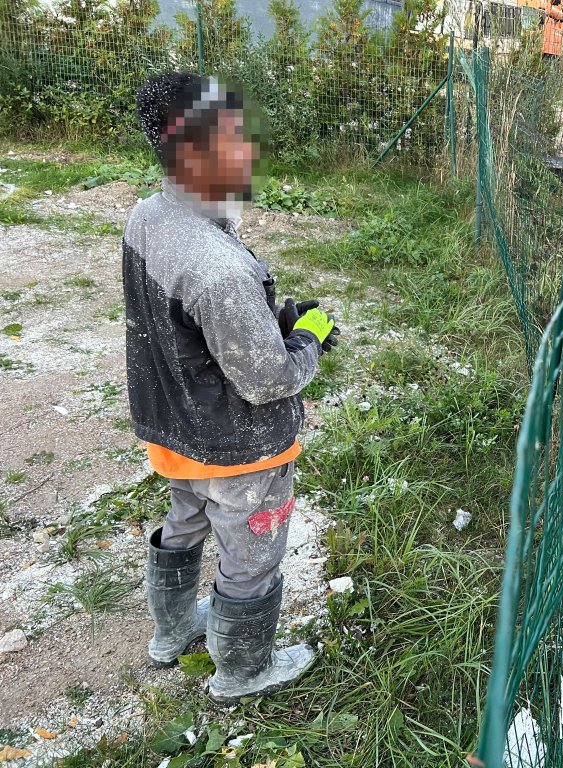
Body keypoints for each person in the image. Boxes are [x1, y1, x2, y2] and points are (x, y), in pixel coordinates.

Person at [124, 71, 339, 706]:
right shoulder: (220, 269)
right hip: (237, 445)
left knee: (185, 519)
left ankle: (172, 634)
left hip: (173, 428)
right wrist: (303, 341)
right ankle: (242, 670)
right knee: (250, 550)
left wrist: (265, 324)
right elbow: (268, 379)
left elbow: (179, 323)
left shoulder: (149, 214)